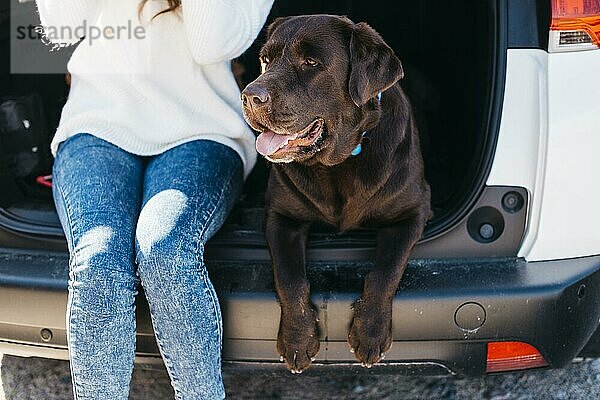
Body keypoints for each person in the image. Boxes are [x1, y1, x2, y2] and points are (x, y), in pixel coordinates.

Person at [34, 0, 274, 398]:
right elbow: (59, 27)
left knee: (164, 248)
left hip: (202, 130)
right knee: (98, 258)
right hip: (97, 124)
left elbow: (210, 43)